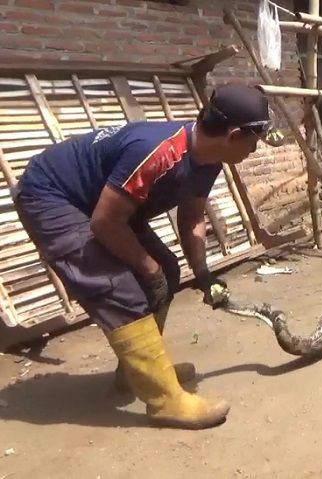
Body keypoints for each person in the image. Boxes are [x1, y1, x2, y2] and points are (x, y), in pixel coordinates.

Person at [13, 83, 274, 430]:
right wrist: (144, 265)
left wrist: (203, 273)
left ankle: (139, 374)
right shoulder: (159, 153)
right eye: (254, 140)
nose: (256, 149)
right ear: (235, 134)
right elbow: (105, 222)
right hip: (51, 196)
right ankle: (165, 401)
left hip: (100, 202)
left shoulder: (210, 157)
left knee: (165, 269)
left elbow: (193, 215)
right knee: (121, 288)